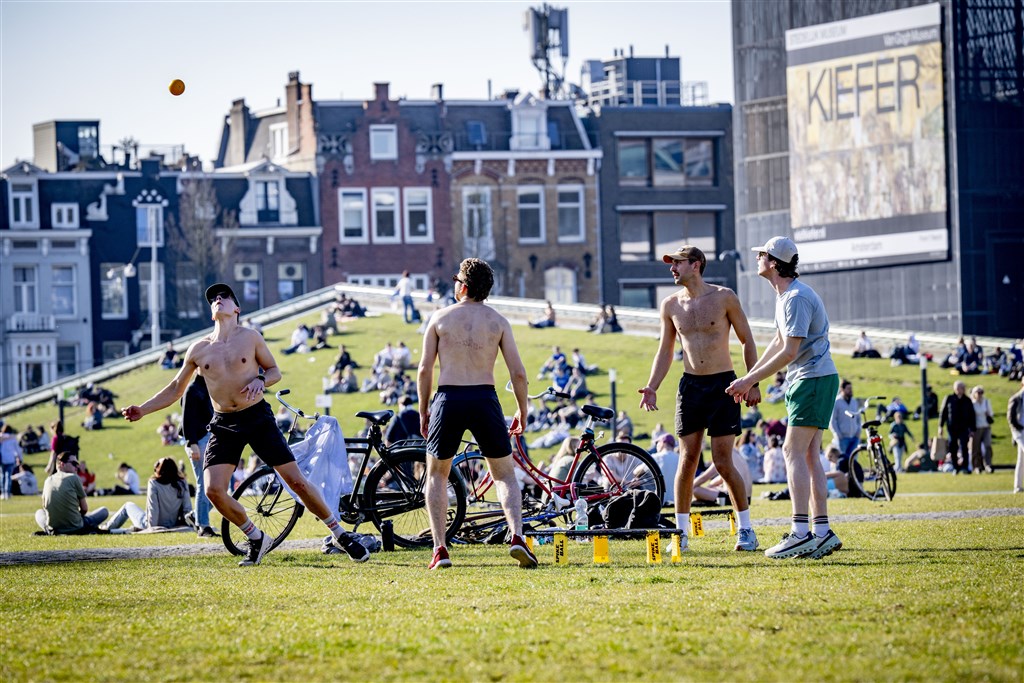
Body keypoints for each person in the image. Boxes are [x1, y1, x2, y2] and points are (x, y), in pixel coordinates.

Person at [121, 282, 369, 566]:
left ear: (236, 308)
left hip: (257, 417)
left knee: (296, 481)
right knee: (214, 491)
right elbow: (176, 388)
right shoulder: (199, 349)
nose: (217, 299)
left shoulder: (250, 338)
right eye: (213, 298)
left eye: (224, 296)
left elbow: (274, 371)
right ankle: (256, 537)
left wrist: (260, 379)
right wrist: (143, 409)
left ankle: (339, 533)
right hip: (224, 422)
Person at [637, 244, 762, 553]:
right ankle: (680, 535)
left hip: (725, 385)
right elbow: (665, 350)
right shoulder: (670, 305)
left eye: (677, 263)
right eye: (671, 264)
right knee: (687, 459)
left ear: (696, 265)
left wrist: (752, 381)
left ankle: (746, 529)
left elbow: (747, 340)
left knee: (722, 460)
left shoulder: (724, 297)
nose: (672, 269)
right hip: (690, 386)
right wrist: (652, 386)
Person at [726, 236, 843, 560]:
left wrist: (750, 380)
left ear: (774, 262)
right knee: (808, 455)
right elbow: (778, 343)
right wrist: (751, 378)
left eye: (762, 254)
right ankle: (821, 532)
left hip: (812, 379)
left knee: (793, 451)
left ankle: (800, 531)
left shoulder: (795, 298)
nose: (757, 258)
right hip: (811, 379)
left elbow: (790, 351)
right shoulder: (787, 296)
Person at [417, 258, 536, 570]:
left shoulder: (440, 318)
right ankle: (517, 536)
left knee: (437, 474)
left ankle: (440, 548)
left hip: (449, 396)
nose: (455, 284)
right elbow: (519, 373)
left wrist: (423, 409)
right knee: (505, 474)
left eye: (457, 279)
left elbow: (424, 369)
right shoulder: (498, 322)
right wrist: (522, 412)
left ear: (464, 286)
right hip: (484, 397)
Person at [102, 457, 194, 532]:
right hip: (173, 523)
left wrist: (152, 529)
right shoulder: (182, 483)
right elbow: (187, 509)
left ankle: (106, 528)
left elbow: (153, 510)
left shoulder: (154, 483)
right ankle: (107, 526)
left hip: (149, 524)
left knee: (128, 505)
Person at [35, 451, 109, 535]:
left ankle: (48, 528)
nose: (77, 466)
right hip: (75, 526)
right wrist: (74, 517)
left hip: (54, 528)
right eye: (74, 463)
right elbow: (84, 509)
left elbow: (45, 506)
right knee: (104, 511)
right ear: (62, 464)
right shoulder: (74, 477)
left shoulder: (47, 480)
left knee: (38, 513)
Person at [181, 374, 217, 538]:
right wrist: (191, 443)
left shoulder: (209, 386)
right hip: (198, 440)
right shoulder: (192, 389)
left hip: (206, 438)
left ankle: (196, 516)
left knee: (217, 486)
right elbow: (187, 420)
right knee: (204, 483)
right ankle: (203, 526)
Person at [939, 381, 974, 474]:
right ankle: (955, 467)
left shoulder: (967, 400)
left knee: (964, 447)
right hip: (952, 428)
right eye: (957, 388)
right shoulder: (949, 399)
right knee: (952, 448)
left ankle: (965, 467)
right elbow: (943, 413)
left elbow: (972, 415)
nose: (959, 390)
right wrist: (940, 426)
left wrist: (972, 429)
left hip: (964, 428)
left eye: (960, 388)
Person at [828, 380, 861, 462]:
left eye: (851, 388)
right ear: (842, 389)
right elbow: (832, 421)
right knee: (842, 461)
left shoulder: (854, 402)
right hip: (842, 438)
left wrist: (858, 432)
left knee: (853, 461)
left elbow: (858, 418)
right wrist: (838, 435)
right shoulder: (836, 402)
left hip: (854, 437)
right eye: (848, 388)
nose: (850, 390)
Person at [968, 386, 994, 474]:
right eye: (978, 392)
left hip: (986, 427)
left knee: (987, 446)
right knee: (976, 448)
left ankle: (988, 465)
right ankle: (977, 466)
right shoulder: (972, 403)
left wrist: (987, 414)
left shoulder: (986, 402)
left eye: (981, 392)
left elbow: (991, 414)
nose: (979, 394)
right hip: (976, 428)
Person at [1007, 377, 1024, 494]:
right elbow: (1011, 418)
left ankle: (1017, 486)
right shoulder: (1016, 398)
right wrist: (1019, 428)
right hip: (1019, 432)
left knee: (1021, 460)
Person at [0, 425, 21, 499]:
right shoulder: (13, 438)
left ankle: (3, 493)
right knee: (8, 476)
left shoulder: (1, 437)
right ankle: (7, 493)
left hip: (2, 459)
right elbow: (17, 449)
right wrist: (19, 457)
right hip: (10, 459)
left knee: (2, 476)